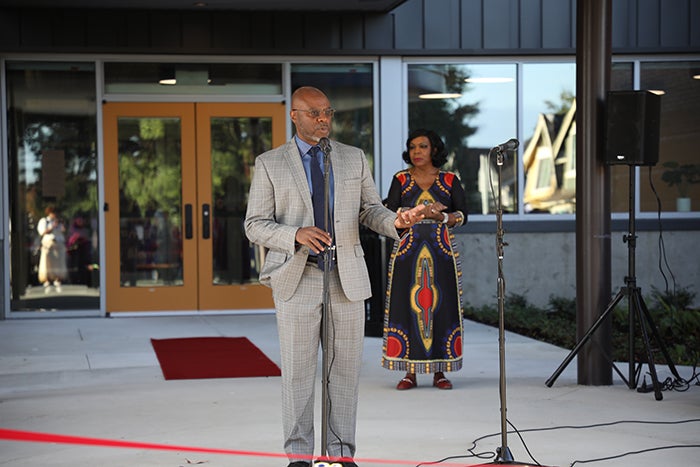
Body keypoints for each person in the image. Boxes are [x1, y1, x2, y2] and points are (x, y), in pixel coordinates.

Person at [244, 86, 427, 467]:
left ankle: (341, 454)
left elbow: (371, 210)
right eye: (314, 114)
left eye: (327, 112)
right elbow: (254, 224)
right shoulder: (270, 163)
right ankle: (299, 456)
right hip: (298, 278)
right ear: (294, 115)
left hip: (347, 279)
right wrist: (293, 235)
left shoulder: (352, 158)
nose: (323, 119)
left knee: (344, 373)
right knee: (298, 373)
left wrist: (397, 221)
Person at [381, 129, 468, 390]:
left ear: (434, 150)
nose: (417, 152)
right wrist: (422, 212)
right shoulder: (401, 179)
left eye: (423, 146)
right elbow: (389, 212)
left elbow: (463, 215)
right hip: (406, 254)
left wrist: (441, 217)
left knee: (442, 308)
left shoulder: (450, 180)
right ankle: (409, 373)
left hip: (442, 254)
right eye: (412, 147)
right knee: (405, 308)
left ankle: (440, 372)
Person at [36, 205, 68, 293]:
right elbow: (42, 232)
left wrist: (61, 225)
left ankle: (58, 279)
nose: (55, 215)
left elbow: (63, 231)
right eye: (53, 213)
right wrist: (52, 226)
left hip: (58, 243)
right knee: (46, 262)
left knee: (59, 262)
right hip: (48, 243)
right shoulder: (44, 221)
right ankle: (46, 279)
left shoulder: (59, 221)